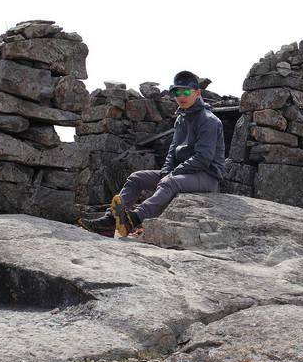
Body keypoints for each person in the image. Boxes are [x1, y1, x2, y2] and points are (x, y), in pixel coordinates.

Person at [79, 70, 226, 237]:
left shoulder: (209, 120)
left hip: (207, 176)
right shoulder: (181, 119)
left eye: (186, 91)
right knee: (136, 178)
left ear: (197, 93)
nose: (181, 96)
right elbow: (172, 151)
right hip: (182, 174)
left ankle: (134, 219)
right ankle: (109, 221)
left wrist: (171, 175)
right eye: (177, 92)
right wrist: (165, 172)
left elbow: (203, 158)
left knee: (169, 183)